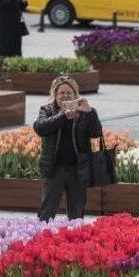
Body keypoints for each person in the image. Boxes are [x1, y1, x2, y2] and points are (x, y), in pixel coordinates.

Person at [34, 76, 103, 222]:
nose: (65, 96)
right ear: (55, 95)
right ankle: (42, 241)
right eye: (62, 93)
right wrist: (62, 116)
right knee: (46, 213)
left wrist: (90, 112)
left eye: (68, 93)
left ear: (75, 95)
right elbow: (40, 128)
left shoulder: (85, 112)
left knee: (77, 215)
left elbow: (96, 133)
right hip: (54, 170)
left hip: (77, 170)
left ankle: (75, 242)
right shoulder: (47, 110)